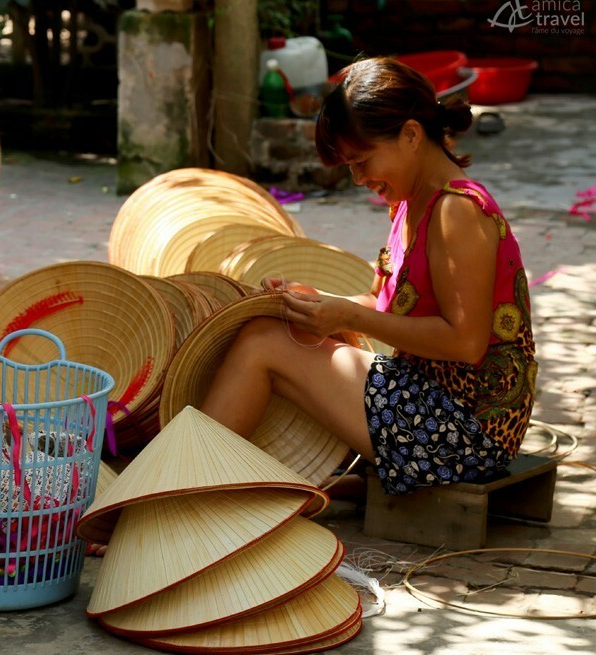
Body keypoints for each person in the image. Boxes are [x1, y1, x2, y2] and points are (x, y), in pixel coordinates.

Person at [200, 57, 538, 496]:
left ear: (411, 135)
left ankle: (173, 493)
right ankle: (190, 483)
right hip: (425, 400)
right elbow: (379, 306)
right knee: (275, 331)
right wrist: (313, 302)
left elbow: (465, 342)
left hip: (467, 431)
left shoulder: (458, 210)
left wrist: (348, 318)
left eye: (362, 161)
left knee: (262, 343)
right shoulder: (409, 202)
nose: (359, 178)